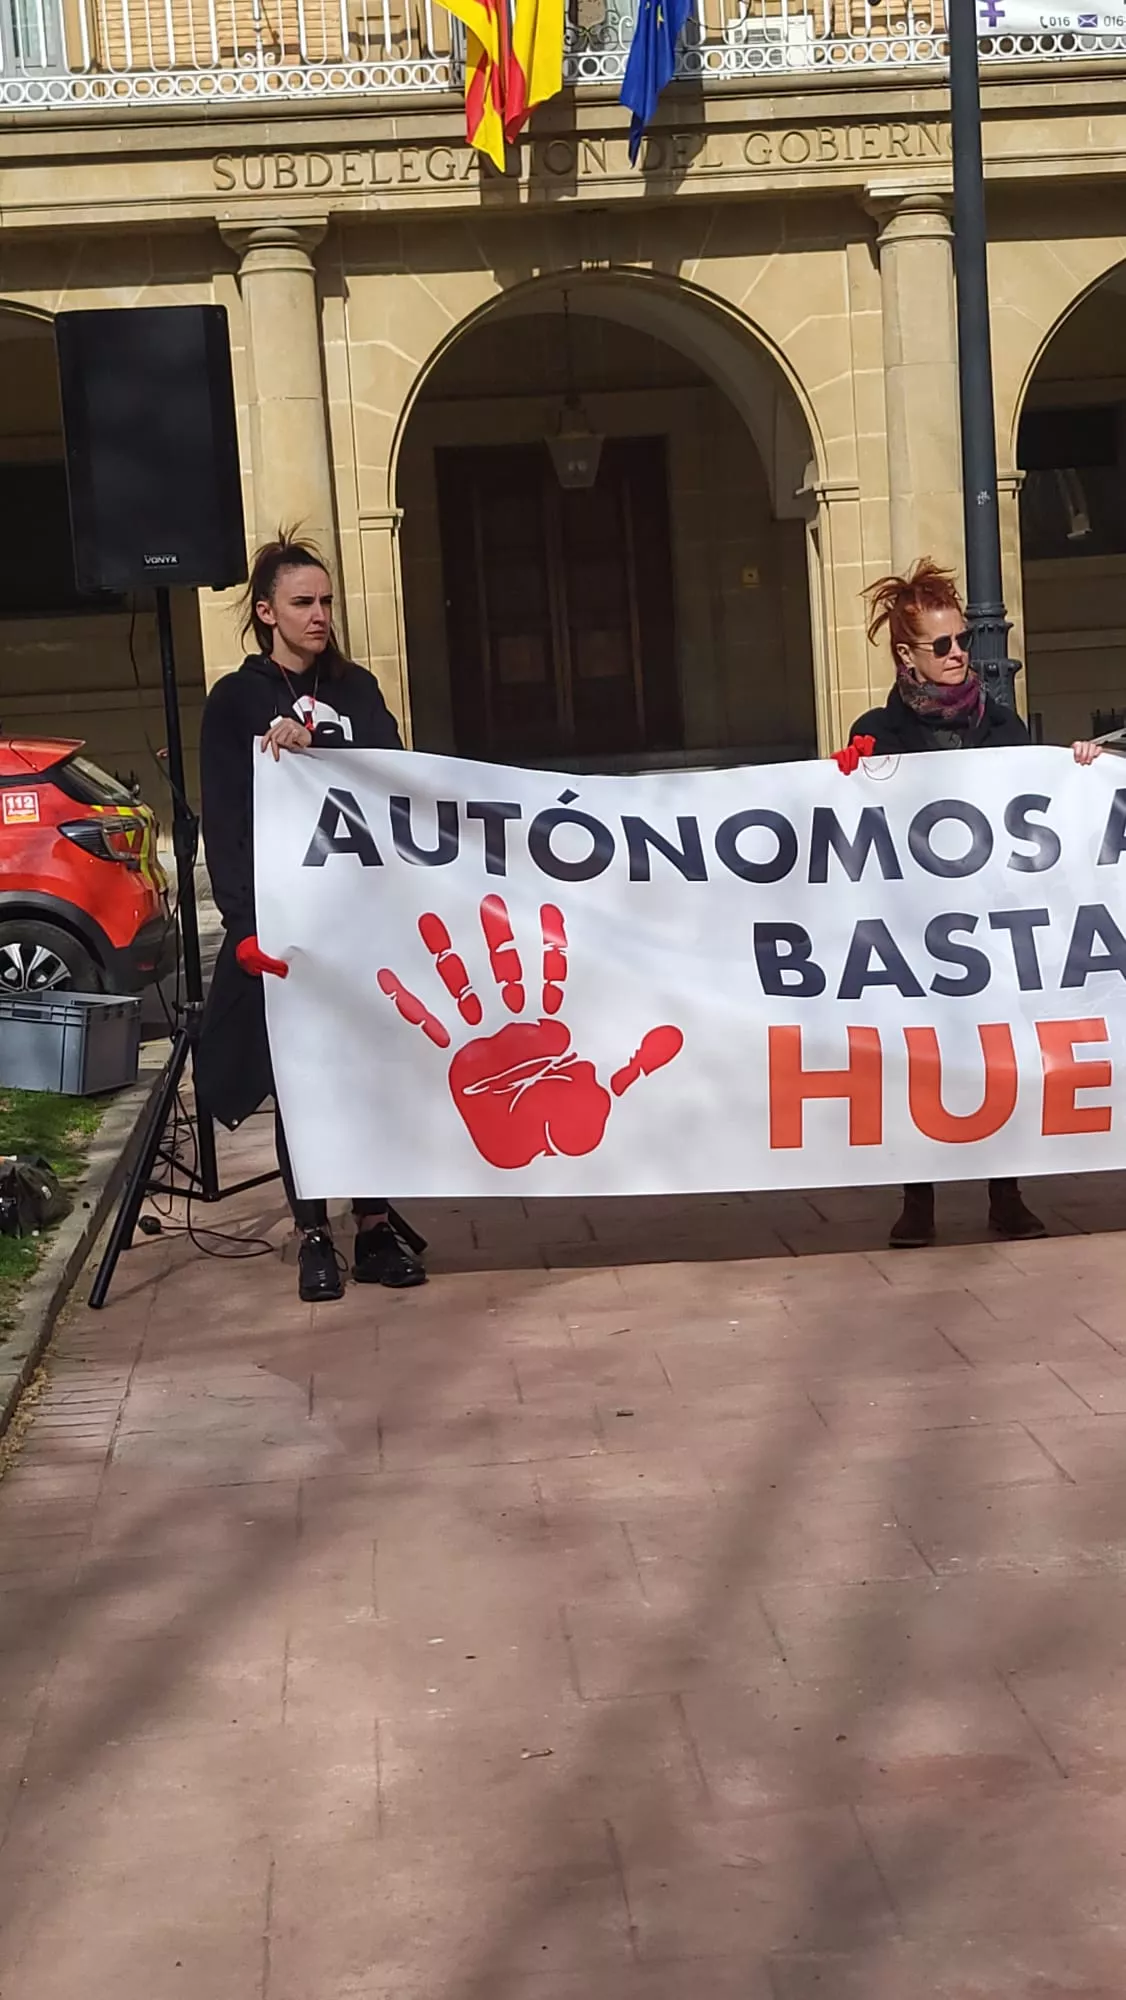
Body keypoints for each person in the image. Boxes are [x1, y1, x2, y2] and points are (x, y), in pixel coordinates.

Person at [837, 557, 1103, 1251]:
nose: (962, 656)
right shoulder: (877, 735)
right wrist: (842, 780)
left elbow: (1037, 812)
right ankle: (917, 1202)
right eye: (945, 645)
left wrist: (1072, 772)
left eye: (965, 642)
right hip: (911, 930)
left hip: (990, 924)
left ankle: (1005, 1195)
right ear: (907, 655)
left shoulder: (1003, 729)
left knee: (997, 1056)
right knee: (918, 1058)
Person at [196, 532, 426, 1301]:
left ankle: (372, 1224)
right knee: (303, 1077)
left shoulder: (356, 690)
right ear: (267, 613)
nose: (320, 615)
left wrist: (325, 743)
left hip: (360, 922)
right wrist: (244, 925)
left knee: (365, 1073)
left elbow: (397, 777)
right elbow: (225, 821)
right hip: (286, 929)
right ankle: (313, 1231)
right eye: (303, 603)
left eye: (326, 601)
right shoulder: (236, 701)